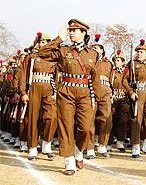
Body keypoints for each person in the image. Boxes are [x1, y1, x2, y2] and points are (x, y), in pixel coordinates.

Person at [37, 19, 100, 175]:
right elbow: (41, 53)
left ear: (83, 33)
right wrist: (58, 38)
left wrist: (95, 98)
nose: (71, 32)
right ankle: (69, 162)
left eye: (75, 30)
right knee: (66, 126)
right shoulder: (63, 50)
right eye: (70, 30)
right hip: (66, 92)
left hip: (85, 93)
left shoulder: (93, 54)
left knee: (86, 128)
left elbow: (95, 78)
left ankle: (78, 150)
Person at [20, 32, 58, 160]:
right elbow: (23, 75)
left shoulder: (54, 57)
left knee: (52, 117)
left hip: (49, 88)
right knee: (33, 118)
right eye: (41, 42)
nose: (43, 44)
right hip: (34, 87)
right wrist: (24, 93)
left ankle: (46, 144)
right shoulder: (31, 57)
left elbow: (58, 76)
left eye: (45, 42)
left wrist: (56, 91)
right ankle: (32, 148)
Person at [127, 39, 146, 158]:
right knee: (136, 120)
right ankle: (135, 146)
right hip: (137, 92)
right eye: (138, 51)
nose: (139, 53)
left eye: (142, 52)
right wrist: (131, 92)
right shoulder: (132, 64)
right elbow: (125, 80)